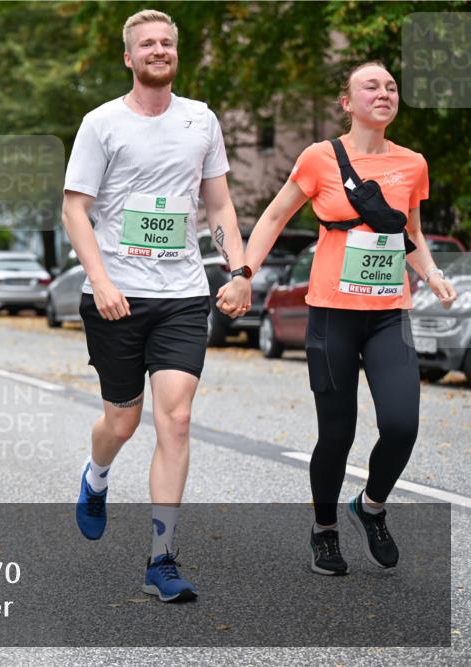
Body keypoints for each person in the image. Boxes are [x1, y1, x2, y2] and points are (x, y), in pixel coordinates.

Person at [221, 62, 458, 576]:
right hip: (331, 313)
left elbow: (407, 232)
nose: (384, 92)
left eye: (391, 86)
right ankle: (324, 531)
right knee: (337, 433)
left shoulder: (413, 163)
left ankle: (370, 507)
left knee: (402, 424)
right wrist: (243, 272)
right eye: (371, 86)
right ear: (347, 103)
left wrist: (432, 272)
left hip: (388, 314)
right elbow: (275, 216)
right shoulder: (319, 158)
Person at [62, 9, 248, 603]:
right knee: (122, 420)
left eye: (167, 42)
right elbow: (75, 209)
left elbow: (218, 206)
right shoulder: (102, 123)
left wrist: (237, 271)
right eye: (147, 43)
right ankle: (97, 476)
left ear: (176, 54)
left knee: (177, 419)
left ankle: (160, 559)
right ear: (129, 57)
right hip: (115, 298)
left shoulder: (201, 121)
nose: (159, 50)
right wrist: (102, 281)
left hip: (183, 296)